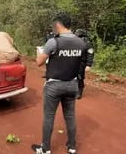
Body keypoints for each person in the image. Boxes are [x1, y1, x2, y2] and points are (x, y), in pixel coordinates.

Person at [32, 12, 87, 154]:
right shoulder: (82, 43)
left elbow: (39, 62)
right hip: (72, 84)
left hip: (54, 86)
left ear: (58, 25)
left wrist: (40, 51)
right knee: (70, 116)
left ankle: (45, 149)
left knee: (49, 116)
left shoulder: (53, 42)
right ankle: (72, 147)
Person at [75, 29, 94, 99]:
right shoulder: (74, 41)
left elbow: (90, 54)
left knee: (80, 77)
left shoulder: (87, 43)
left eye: (77, 34)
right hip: (73, 61)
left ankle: (79, 91)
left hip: (81, 63)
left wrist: (88, 65)